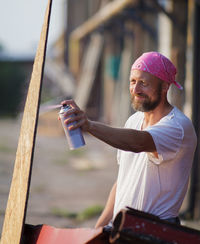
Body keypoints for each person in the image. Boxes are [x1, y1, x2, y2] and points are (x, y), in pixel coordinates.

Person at [61, 51, 197, 227]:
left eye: (144, 83)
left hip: (156, 230)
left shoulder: (178, 126)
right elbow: (123, 181)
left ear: (164, 87)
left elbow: (138, 142)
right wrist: (99, 228)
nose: (136, 89)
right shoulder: (133, 120)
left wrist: (89, 125)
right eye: (133, 81)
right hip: (123, 228)